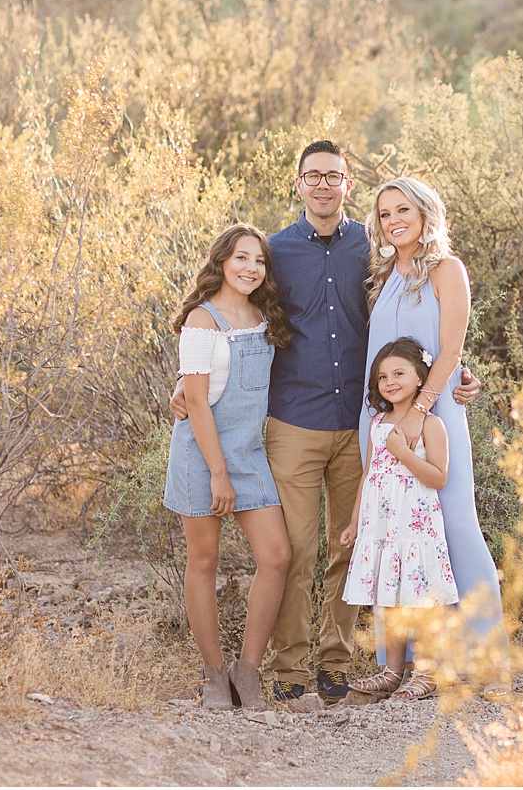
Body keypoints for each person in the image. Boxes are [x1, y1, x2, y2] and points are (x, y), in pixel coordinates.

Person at [171, 141, 480, 704]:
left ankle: (335, 663)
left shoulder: (375, 246)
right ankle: (289, 670)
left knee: (351, 546)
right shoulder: (275, 252)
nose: (323, 184)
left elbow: (416, 322)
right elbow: (234, 319)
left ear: (348, 185)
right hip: (294, 420)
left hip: (362, 422)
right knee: (293, 549)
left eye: (333, 176)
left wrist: (455, 372)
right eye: (312, 175)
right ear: (297, 184)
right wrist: (188, 378)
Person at [360, 176, 513, 700]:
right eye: (384, 214)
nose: (394, 220)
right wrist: (391, 418)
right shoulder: (383, 276)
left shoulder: (448, 270)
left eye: (403, 210)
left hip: (433, 414)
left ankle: (478, 658)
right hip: (380, 417)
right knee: (391, 532)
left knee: (453, 526)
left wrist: (421, 411)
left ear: (426, 213)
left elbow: (449, 350)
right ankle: (400, 665)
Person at [162, 223, 294, 711]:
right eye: (241, 258)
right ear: (221, 261)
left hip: (248, 455)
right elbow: (195, 403)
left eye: (259, 261)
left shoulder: (263, 316)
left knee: (276, 556)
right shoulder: (202, 320)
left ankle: (248, 670)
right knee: (205, 561)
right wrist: (218, 473)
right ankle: (214, 674)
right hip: (203, 455)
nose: (250, 269)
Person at [337, 338, 460, 701]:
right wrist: (355, 522)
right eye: (382, 377)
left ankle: (425, 671)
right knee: (387, 598)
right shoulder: (377, 423)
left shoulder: (431, 424)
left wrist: (404, 452)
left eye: (399, 373)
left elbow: (439, 477)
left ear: (420, 377)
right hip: (382, 527)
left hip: (415, 525)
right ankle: (392, 671)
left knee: (420, 598)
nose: (390, 382)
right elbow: (368, 475)